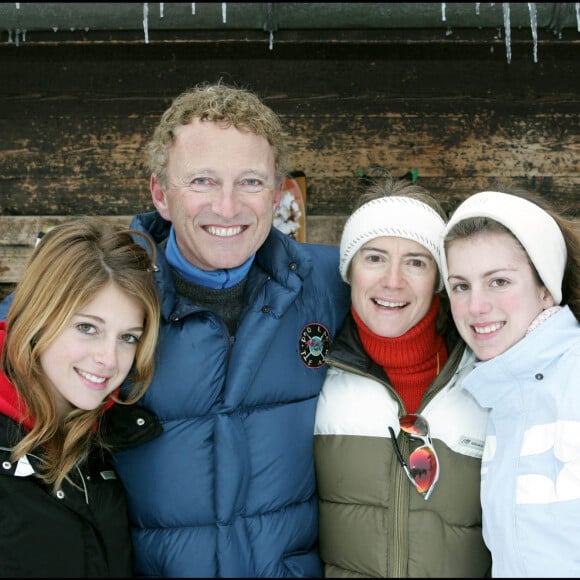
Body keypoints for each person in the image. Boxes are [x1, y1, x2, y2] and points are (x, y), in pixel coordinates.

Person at [108, 81, 351, 578]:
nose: (226, 206)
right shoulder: (107, 297)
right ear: (161, 193)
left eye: (250, 182)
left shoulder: (335, 285)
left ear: (279, 193)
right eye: (201, 181)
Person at [314, 176, 491, 577]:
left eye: (416, 261)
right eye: (374, 257)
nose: (393, 281)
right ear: (349, 270)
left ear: (438, 280)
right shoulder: (315, 380)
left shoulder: (485, 377)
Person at [0, 217, 162, 577]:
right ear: (39, 317)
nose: (109, 359)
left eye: (128, 337)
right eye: (88, 328)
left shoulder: (109, 442)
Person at [440, 189, 580, 578]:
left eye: (499, 281)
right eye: (461, 286)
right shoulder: (498, 395)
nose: (475, 307)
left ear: (545, 287)